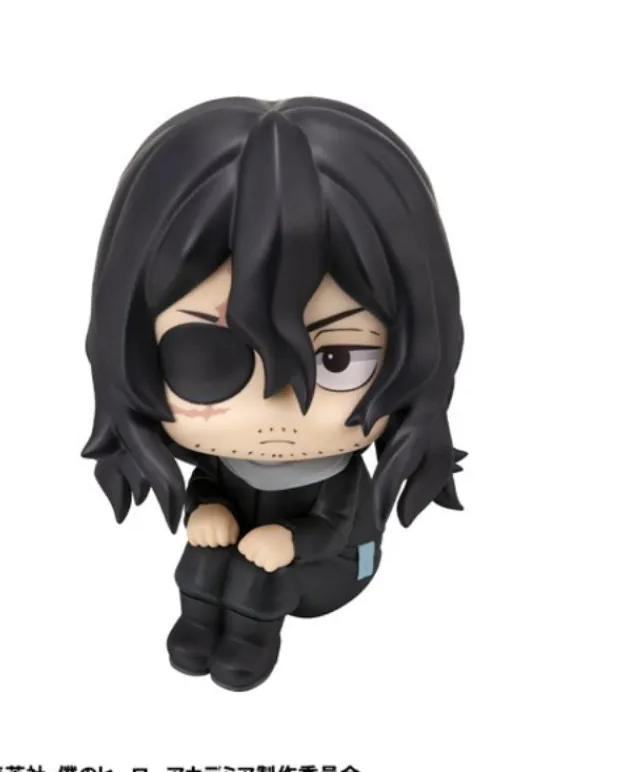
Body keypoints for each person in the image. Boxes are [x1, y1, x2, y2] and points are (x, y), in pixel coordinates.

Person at [82, 97, 465, 691]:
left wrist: (291, 539)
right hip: (250, 553)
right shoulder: (225, 461)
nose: (274, 408)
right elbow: (209, 485)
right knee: (205, 556)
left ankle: (249, 642)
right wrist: (205, 508)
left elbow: (338, 525)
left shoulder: (335, 474)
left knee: (262, 578)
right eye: (208, 360)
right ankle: (198, 624)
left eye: (338, 360)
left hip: (334, 570)